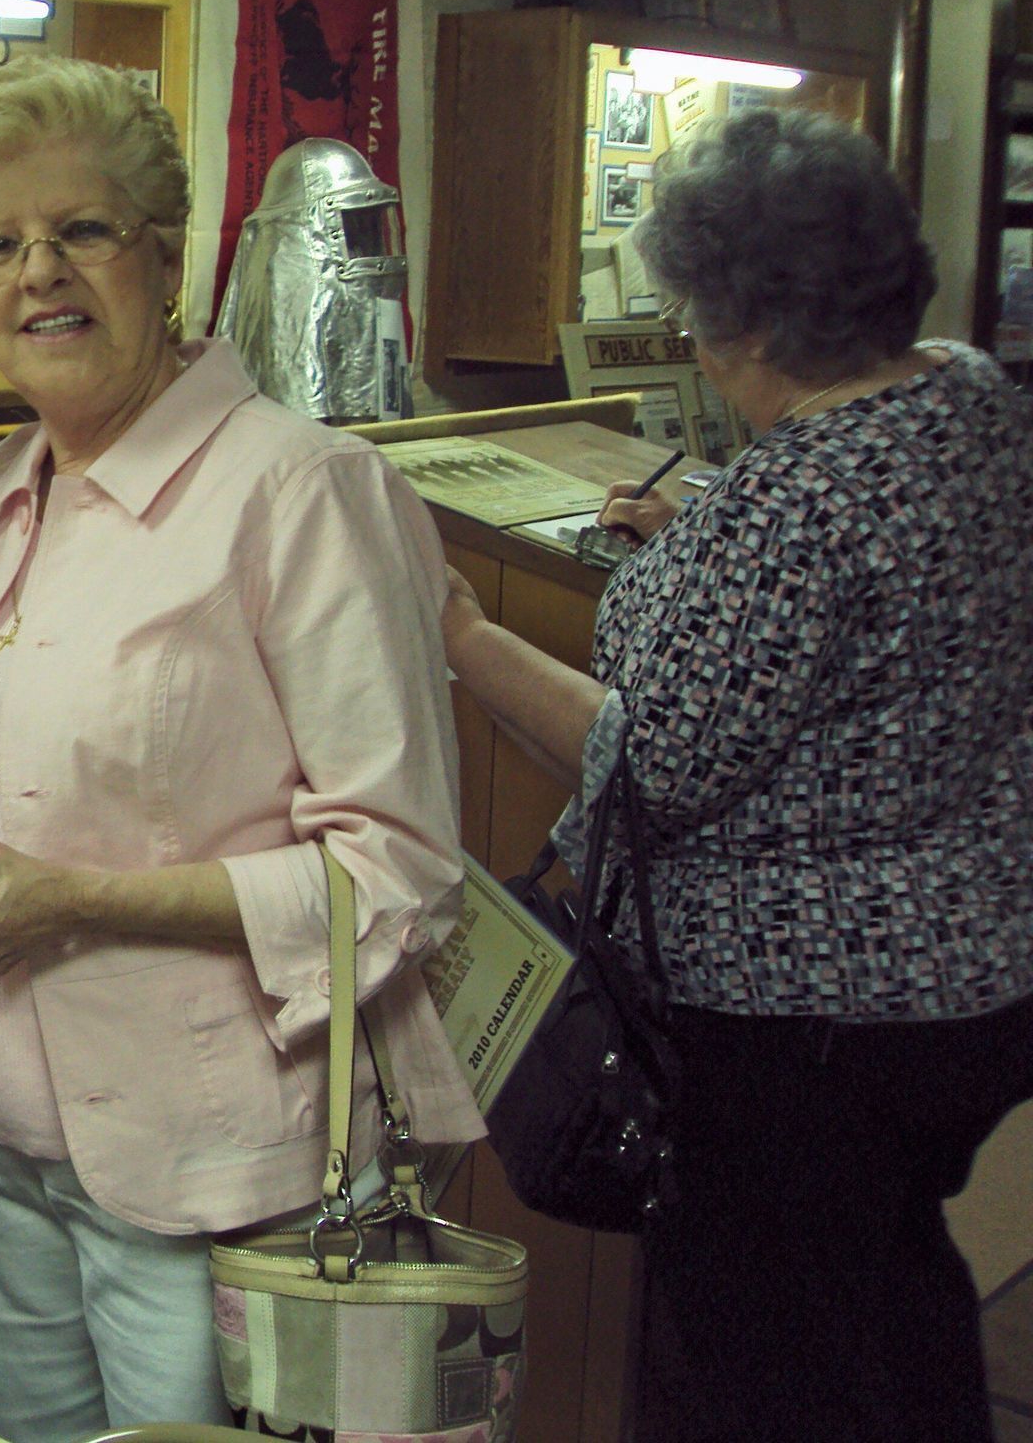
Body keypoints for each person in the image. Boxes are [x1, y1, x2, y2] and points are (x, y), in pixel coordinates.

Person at [0, 58, 481, 1443]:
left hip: (218, 1161)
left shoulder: (303, 491)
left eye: (83, 229)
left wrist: (85, 901)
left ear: (164, 258)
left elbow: (399, 873)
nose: (41, 273)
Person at [441, 108, 1033, 1442]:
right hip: (971, 981)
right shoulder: (967, 398)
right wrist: (702, 532)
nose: (694, 344)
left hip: (806, 1033)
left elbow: (647, 764)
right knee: (892, 1301)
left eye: (695, 316)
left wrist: (465, 636)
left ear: (749, 326)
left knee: (760, 1363)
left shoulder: (788, 509)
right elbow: (858, 594)